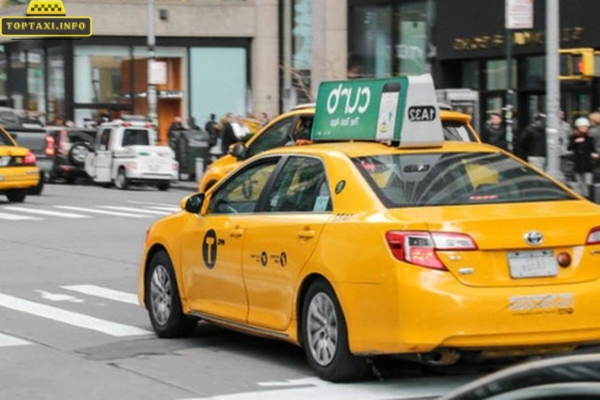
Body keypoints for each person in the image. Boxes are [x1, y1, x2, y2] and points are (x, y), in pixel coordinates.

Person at [568, 117, 599, 198]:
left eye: (586, 127)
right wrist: (575, 142)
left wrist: (594, 154)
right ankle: (582, 195)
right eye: (583, 127)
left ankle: (587, 196)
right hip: (578, 162)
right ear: (578, 128)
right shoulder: (573, 137)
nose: (585, 128)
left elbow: (592, 149)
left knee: (588, 181)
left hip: (588, 162)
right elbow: (569, 148)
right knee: (580, 181)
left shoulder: (589, 138)